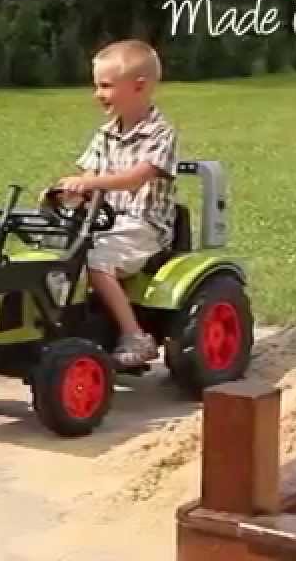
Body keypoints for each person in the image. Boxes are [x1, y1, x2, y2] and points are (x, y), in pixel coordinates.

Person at [49, 39, 178, 366]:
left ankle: (135, 335)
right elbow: (89, 177)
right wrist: (72, 191)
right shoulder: (104, 135)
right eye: (97, 86)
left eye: (105, 86)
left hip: (143, 227)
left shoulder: (161, 134)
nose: (97, 95)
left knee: (96, 261)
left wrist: (91, 182)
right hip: (103, 221)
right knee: (54, 252)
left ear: (139, 86)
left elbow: (135, 178)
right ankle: (60, 324)